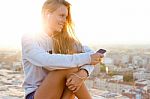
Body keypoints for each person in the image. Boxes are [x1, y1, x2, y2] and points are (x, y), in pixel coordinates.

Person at [21, 0, 104, 99]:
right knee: (68, 68)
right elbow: (46, 61)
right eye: (61, 15)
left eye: (66, 17)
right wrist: (88, 59)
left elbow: (94, 55)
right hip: (36, 95)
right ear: (47, 14)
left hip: (61, 94)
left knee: (73, 71)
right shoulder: (29, 38)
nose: (65, 21)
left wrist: (84, 72)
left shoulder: (64, 40)